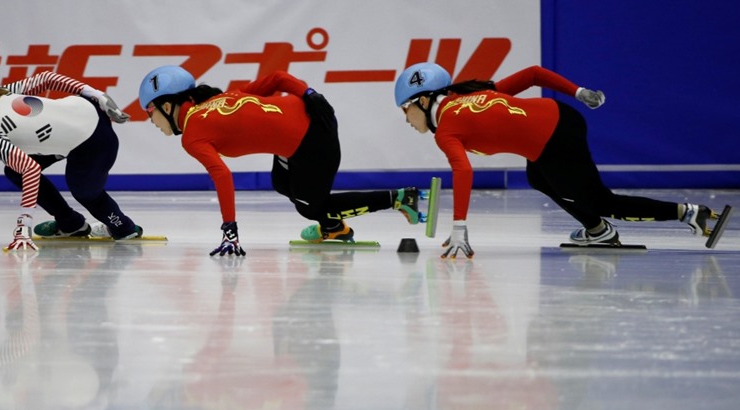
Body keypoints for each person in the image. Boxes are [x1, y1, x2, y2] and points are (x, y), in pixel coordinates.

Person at [393, 63, 721, 259]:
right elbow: (534, 74)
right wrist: (577, 91)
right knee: (538, 178)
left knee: (600, 201)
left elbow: (463, 170)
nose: (405, 119)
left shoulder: (446, 130)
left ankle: (690, 213)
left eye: (405, 109)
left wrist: (460, 227)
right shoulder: (466, 94)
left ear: (424, 101)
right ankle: (597, 230)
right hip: (560, 119)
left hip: (554, 138)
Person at [137, 65, 421, 256]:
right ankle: (334, 228)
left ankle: (399, 199)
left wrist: (229, 230)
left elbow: (221, 175)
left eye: (149, 112)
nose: (151, 120)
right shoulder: (221, 98)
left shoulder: (192, 135)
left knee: (310, 207)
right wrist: (309, 93)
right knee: (282, 183)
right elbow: (276, 77)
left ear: (167, 105)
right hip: (309, 121)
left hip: (313, 139)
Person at [0, 63, 142, 251]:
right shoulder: (0, 93)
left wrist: (23, 226)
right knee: (13, 170)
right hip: (85, 110)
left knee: (85, 193)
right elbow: (46, 78)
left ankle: (123, 227)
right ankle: (70, 224)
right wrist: (96, 94)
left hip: (92, 141)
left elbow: (30, 169)